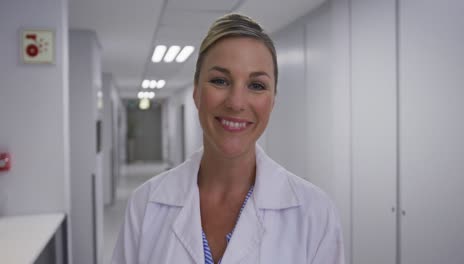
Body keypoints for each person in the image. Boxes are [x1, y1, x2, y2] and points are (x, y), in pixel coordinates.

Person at [112, 13, 344, 264]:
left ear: (273, 100)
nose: (236, 103)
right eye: (220, 81)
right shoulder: (145, 204)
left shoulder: (315, 213)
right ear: (197, 93)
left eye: (256, 85)